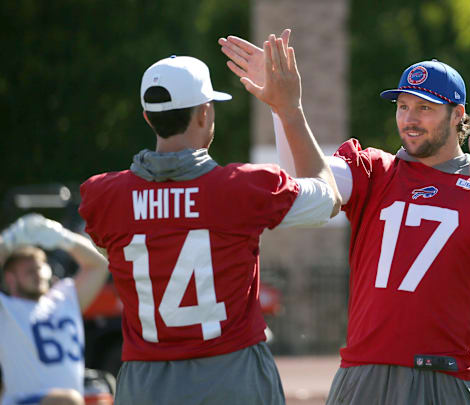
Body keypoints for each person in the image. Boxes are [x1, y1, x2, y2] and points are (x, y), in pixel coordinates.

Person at [219, 30, 470, 405]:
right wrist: (287, 110)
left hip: (444, 376)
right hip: (364, 373)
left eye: (425, 108)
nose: (410, 119)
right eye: (403, 106)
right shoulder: (376, 170)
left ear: (458, 115)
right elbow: (309, 185)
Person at [78, 38, 341, 405]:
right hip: (230, 376)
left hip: (145, 383)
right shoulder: (242, 189)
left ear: (148, 117)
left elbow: (113, 244)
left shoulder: (104, 196)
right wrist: (289, 109)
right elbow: (329, 199)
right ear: (204, 113)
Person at [0, 213, 109, 405]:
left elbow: (100, 264)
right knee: (68, 400)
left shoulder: (63, 298)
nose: (38, 274)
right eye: (29, 271)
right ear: (10, 278)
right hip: (24, 401)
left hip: (69, 401)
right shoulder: (6, 308)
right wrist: (8, 242)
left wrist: (61, 237)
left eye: (40, 267)